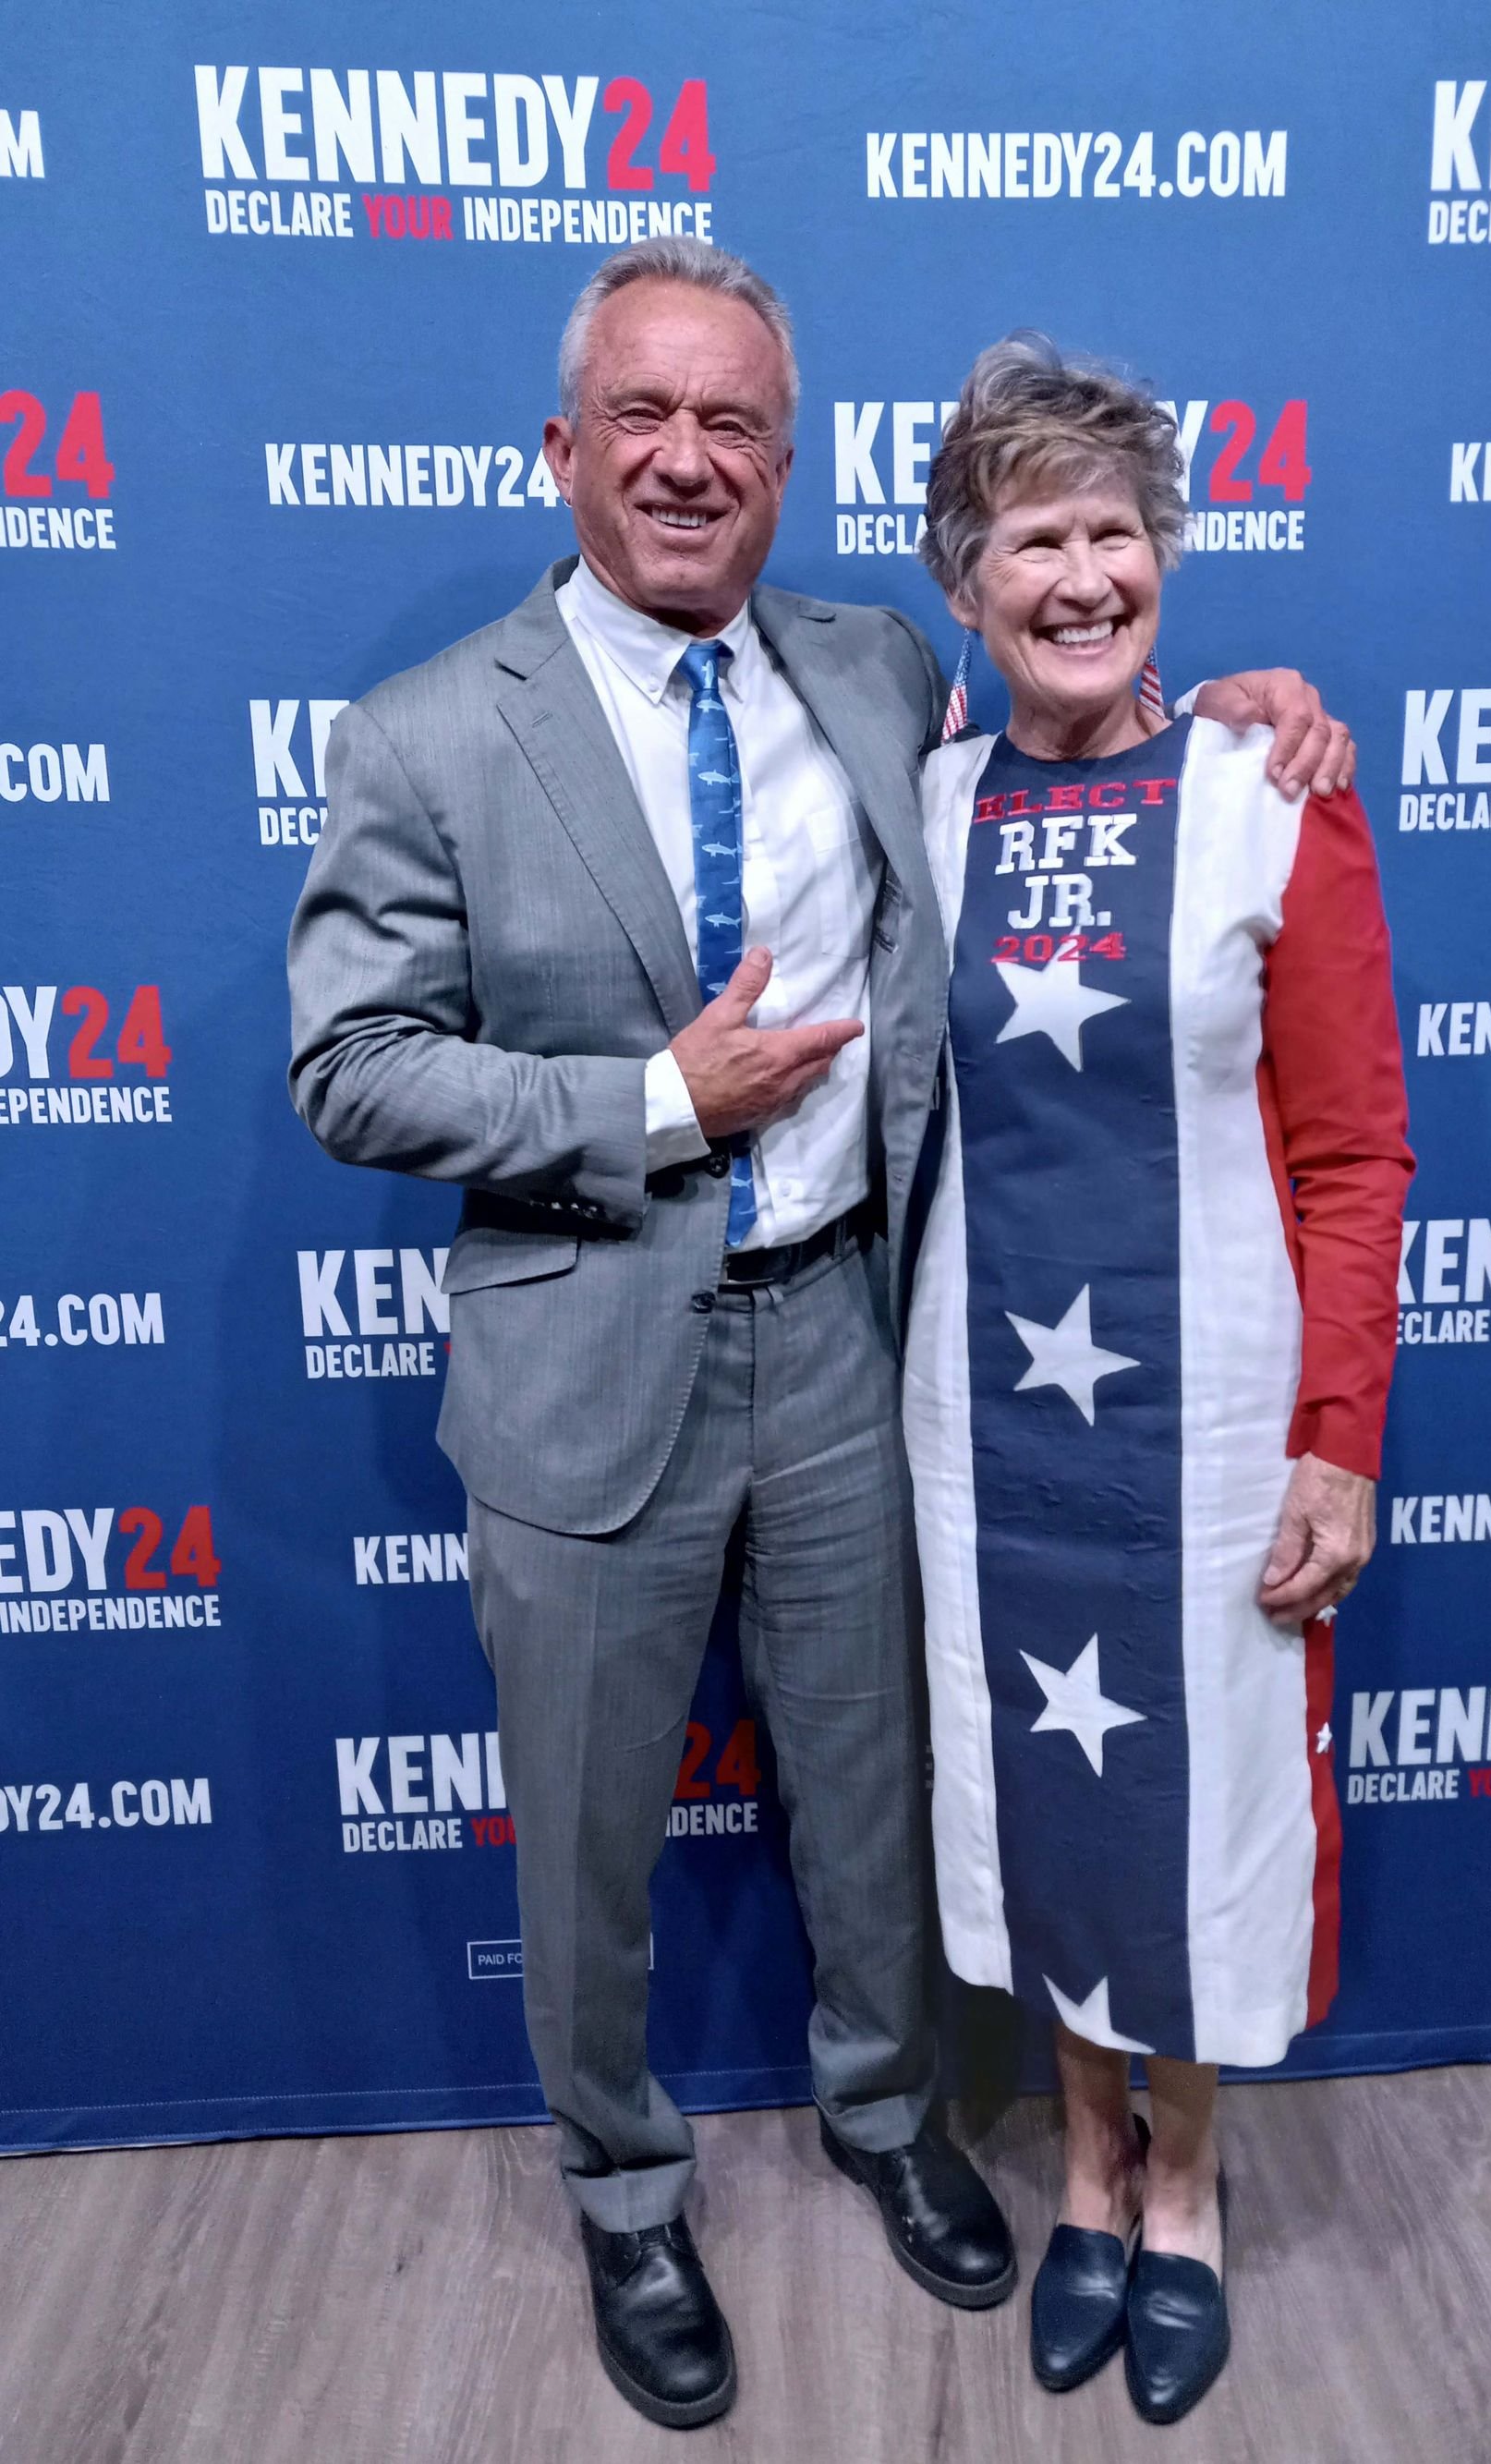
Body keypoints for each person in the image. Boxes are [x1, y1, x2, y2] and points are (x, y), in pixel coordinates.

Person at [286, 238, 1357, 2434]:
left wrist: (1262, 696)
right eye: (646, 420)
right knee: (585, 1839)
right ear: (564, 447)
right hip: (584, 1365)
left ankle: (888, 2116)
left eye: (736, 426)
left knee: (871, 1791)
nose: (690, 461)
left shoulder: (877, 672)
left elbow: (1096, 735)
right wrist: (657, 1100)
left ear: (786, 462)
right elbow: (352, 1069)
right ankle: (623, 2185)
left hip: (864, 1356)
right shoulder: (424, 732)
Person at [903, 335, 1412, 2426]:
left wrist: (1339, 1444)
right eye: (1037, 535)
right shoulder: (917, 801)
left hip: (1211, 1427)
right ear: (968, 575)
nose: (1083, 573)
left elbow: (1357, 1149)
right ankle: (1085, 2170)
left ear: (1168, 555)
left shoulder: (1269, 793)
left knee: (1191, 1799)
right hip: (978, 1422)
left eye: (1116, 528)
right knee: (1044, 1794)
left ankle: (1184, 2180)